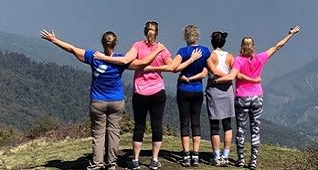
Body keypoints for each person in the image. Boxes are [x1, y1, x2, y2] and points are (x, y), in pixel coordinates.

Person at [40, 29, 164, 170]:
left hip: (98, 101)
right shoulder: (121, 60)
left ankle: (97, 163)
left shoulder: (94, 57)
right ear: (115, 44)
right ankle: (111, 163)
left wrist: (54, 40)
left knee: (98, 134)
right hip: (116, 102)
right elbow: (142, 63)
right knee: (114, 132)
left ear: (102, 43)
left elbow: (72, 49)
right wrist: (158, 50)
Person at [94, 21, 200, 170]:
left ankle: (136, 160)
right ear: (157, 33)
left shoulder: (137, 46)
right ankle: (155, 160)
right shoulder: (161, 48)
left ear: (145, 32)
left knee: (139, 126)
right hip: (158, 92)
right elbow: (173, 68)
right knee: (157, 125)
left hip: (140, 92)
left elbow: (127, 62)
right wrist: (190, 60)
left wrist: (145, 67)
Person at [215, 25, 301, 170]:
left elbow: (231, 76)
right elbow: (277, 47)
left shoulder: (238, 60)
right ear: (253, 47)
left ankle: (241, 159)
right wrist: (290, 34)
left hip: (242, 97)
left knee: (241, 129)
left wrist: (216, 81)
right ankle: (253, 160)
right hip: (257, 97)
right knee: (255, 129)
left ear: (241, 47)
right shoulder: (260, 58)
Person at [145, 24, 210, 167]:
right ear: (197, 36)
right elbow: (210, 70)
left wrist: (186, 76)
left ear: (185, 37)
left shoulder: (182, 51)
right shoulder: (205, 51)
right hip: (197, 90)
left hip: (183, 89)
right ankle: (196, 155)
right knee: (196, 122)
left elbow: (173, 68)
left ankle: (186, 155)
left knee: (184, 122)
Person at [205, 31, 235, 167]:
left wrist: (219, 79)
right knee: (227, 124)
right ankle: (226, 156)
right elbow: (234, 71)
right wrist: (228, 78)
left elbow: (213, 72)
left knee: (214, 125)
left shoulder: (210, 55)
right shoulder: (230, 56)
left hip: (214, 89)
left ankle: (216, 156)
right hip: (227, 90)